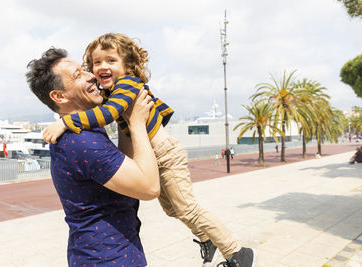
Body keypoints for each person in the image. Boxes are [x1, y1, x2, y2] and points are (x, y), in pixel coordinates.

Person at [43, 33, 255, 267]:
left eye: (111, 61)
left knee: (188, 209)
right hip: (155, 157)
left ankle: (237, 253)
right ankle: (208, 239)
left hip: (165, 153)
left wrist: (64, 122)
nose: (99, 69)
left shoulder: (127, 85)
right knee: (174, 210)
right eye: (95, 63)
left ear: (127, 65)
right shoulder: (108, 94)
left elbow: (108, 114)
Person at [26, 47, 160, 266]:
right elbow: (150, 187)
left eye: (85, 70)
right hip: (109, 257)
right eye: (78, 75)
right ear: (59, 96)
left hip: (106, 253)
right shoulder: (82, 143)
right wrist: (136, 123)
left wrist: (124, 117)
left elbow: (128, 166)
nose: (91, 76)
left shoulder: (84, 132)